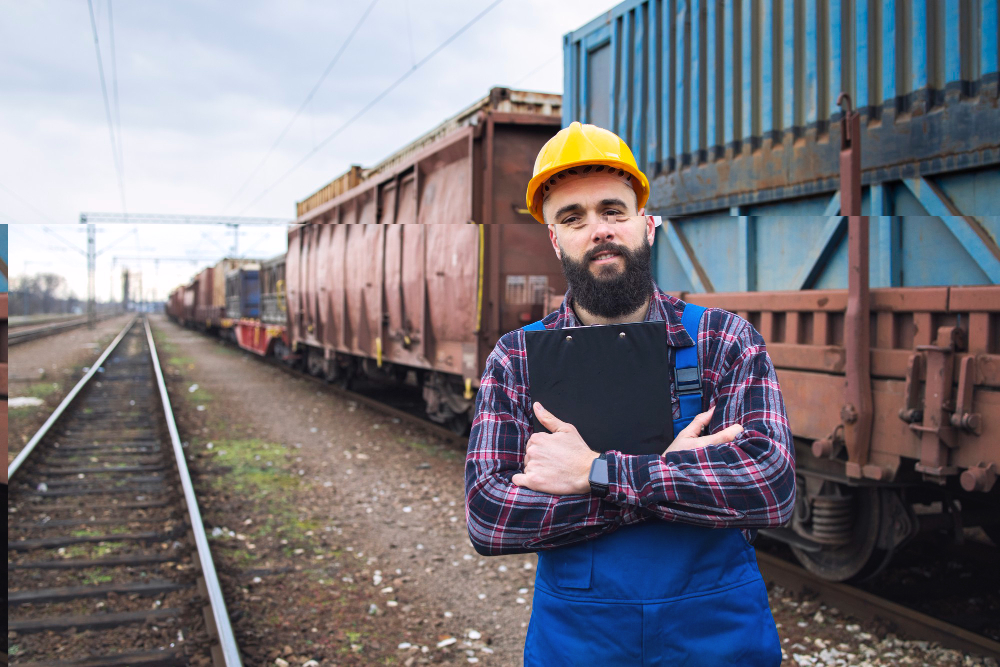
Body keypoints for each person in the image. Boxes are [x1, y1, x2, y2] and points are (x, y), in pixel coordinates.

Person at [464, 122, 795, 666]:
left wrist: (596, 473)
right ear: (554, 238)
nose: (598, 229)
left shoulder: (723, 339)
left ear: (646, 223)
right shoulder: (517, 357)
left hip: (716, 639)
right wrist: (669, 480)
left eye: (613, 210)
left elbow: (771, 486)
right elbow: (490, 515)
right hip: (580, 641)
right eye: (573, 217)